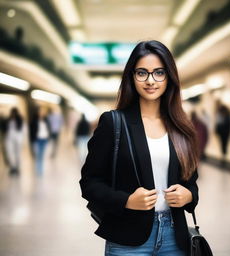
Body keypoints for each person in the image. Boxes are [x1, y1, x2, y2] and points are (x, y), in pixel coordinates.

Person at [79, 40, 199, 256]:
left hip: (175, 236)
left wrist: (188, 196)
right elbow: (89, 183)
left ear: (169, 77)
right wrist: (126, 201)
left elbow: (190, 182)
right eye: (142, 73)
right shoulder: (113, 123)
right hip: (127, 240)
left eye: (159, 73)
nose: (150, 80)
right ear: (132, 77)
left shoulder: (180, 126)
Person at [4, 108, 25, 175]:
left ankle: (17, 167)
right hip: (9, 138)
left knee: (17, 153)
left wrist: (22, 139)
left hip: (18, 138)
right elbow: (5, 129)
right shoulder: (8, 120)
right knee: (9, 153)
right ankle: (12, 166)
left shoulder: (20, 119)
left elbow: (23, 130)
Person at [29, 107, 50, 176]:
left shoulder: (46, 121)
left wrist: (48, 138)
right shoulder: (33, 121)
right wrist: (32, 141)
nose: (41, 113)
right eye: (40, 112)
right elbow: (31, 132)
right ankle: (38, 169)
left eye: (43, 112)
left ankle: (41, 169)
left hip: (44, 140)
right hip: (37, 140)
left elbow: (48, 130)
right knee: (38, 155)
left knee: (42, 155)